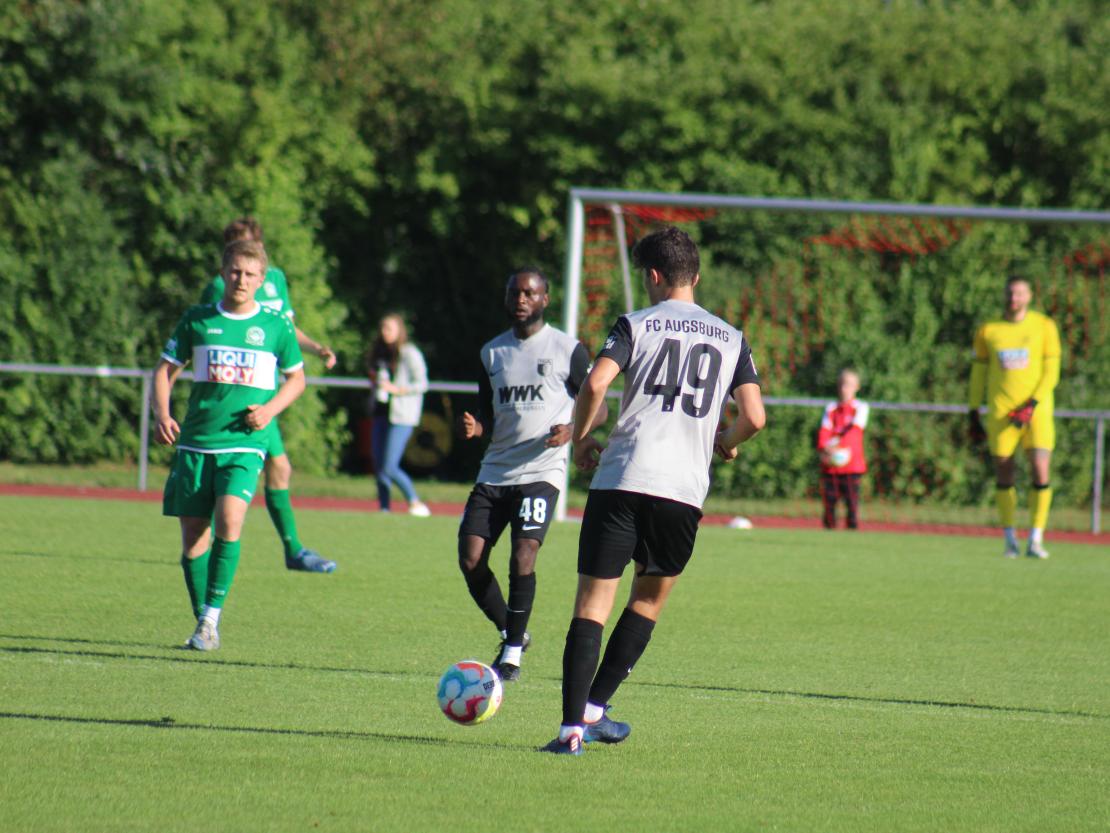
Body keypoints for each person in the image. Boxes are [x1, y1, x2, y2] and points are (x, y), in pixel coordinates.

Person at [542, 227, 765, 755]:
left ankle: (572, 730)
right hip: (682, 491)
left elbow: (596, 382)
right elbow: (755, 417)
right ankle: (597, 707)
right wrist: (726, 442)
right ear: (697, 277)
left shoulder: (636, 323)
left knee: (592, 604)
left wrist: (581, 439)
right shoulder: (731, 337)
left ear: (655, 276)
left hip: (622, 478)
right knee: (647, 601)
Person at [456, 268, 608, 682]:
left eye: (529, 292)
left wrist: (574, 429)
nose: (521, 299)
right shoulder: (492, 353)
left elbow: (600, 406)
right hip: (496, 470)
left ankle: (511, 655)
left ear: (545, 299)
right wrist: (478, 428)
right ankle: (513, 631)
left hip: (542, 470)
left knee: (524, 553)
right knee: (470, 558)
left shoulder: (567, 349)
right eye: (514, 293)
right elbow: (489, 414)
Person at [154, 239, 306, 650]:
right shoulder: (198, 319)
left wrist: (270, 410)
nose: (241, 280)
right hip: (196, 444)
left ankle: (210, 619)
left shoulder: (275, 325)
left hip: (244, 444)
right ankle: (203, 621)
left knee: (230, 521)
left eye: (250, 274)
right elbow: (165, 370)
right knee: (193, 540)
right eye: (235, 272)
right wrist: (162, 414)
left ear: (262, 279)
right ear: (223, 273)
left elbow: (297, 379)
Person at [200, 218, 337, 574]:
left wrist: (315, 347)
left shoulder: (274, 279)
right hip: (235, 398)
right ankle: (213, 545)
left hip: (266, 396)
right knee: (246, 470)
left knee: (278, 467)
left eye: (252, 247)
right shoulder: (218, 287)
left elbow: (285, 328)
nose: (245, 266)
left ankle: (291, 550)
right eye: (238, 250)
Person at [968, 274, 1061, 559]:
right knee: (1004, 471)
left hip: (1036, 411)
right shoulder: (989, 330)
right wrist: (973, 409)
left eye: (1019, 293)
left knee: (1040, 468)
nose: (1014, 298)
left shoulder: (1044, 326)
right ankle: (1010, 539)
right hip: (1002, 412)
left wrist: (1032, 403)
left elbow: (1052, 373)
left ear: (1029, 296)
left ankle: (1036, 538)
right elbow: (979, 372)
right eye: (1010, 293)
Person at [367, 313, 430, 516]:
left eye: (389, 328)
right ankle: (384, 509)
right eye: (382, 328)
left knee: (389, 466)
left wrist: (397, 389)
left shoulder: (409, 353)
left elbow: (422, 383)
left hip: (401, 416)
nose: (384, 332)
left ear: (399, 331)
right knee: (379, 465)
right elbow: (376, 378)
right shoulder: (379, 352)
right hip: (381, 412)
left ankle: (415, 501)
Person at [816, 368, 869, 530]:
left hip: (852, 466)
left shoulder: (861, 407)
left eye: (849, 385)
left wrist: (836, 445)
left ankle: (852, 530)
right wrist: (824, 448)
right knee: (829, 501)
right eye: (842, 384)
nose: (845, 389)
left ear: (857, 387)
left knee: (852, 502)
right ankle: (829, 530)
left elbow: (855, 431)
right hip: (831, 464)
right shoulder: (831, 408)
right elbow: (824, 432)